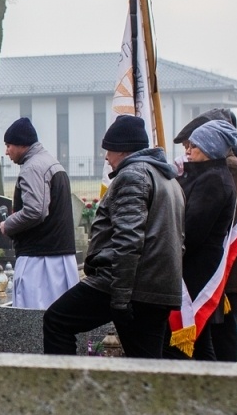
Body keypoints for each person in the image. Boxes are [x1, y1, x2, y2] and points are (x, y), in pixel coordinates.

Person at [42, 115, 183, 358]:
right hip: (157, 286)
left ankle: (65, 383)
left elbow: (128, 241)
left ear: (123, 149)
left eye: (109, 149)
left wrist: (120, 298)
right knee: (148, 362)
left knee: (57, 321)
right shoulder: (169, 180)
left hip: (127, 284)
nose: (106, 157)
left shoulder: (133, 176)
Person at [174, 109, 237, 362]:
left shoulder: (226, 171)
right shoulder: (212, 171)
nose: (187, 150)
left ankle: (224, 379)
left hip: (222, 270)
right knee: (208, 339)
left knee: (221, 335)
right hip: (214, 267)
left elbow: (217, 223)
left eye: (192, 145)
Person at [0, 117, 79, 310]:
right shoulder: (52, 163)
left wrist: (8, 224)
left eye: (9, 145)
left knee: (34, 318)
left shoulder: (33, 167)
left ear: (21, 144)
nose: (7, 151)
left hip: (40, 262)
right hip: (59, 257)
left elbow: (35, 211)